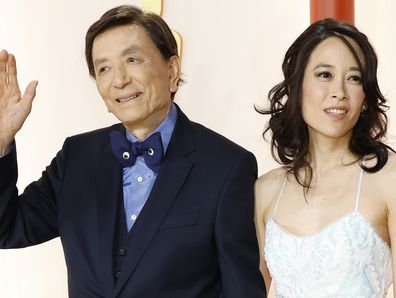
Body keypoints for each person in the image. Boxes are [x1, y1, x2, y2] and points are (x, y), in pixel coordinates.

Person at [0, 5, 265, 298]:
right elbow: (7, 228)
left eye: (132, 59)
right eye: (104, 68)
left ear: (172, 70)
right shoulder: (77, 156)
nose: (119, 79)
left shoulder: (226, 166)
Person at [255, 18, 396, 297]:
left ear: (365, 96)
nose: (339, 93)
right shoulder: (266, 191)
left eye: (354, 79)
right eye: (324, 75)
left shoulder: (388, 179)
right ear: (297, 86)